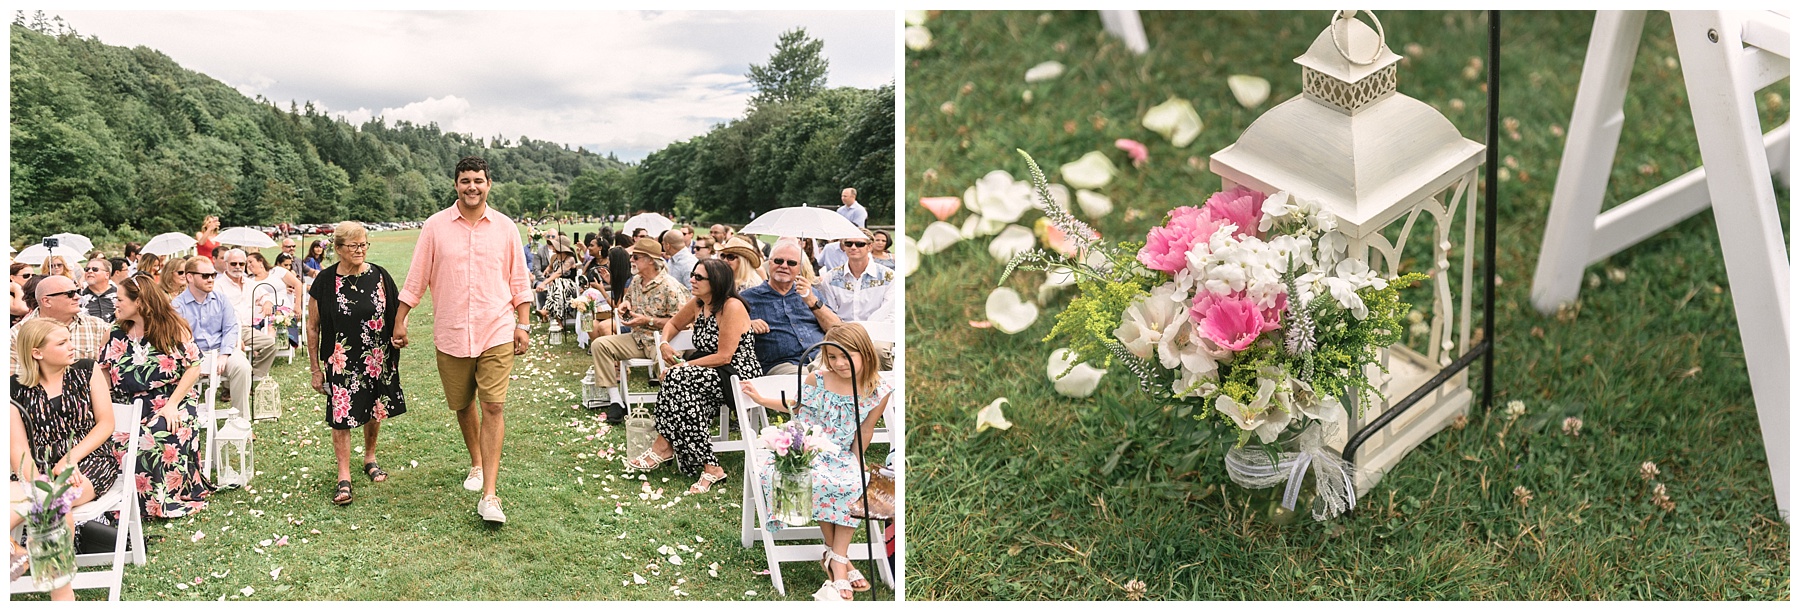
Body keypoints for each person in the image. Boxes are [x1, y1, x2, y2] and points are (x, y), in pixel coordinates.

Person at [394, 156, 532, 524]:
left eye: (479, 181)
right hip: (452, 331)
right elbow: (417, 275)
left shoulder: (505, 228)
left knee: (494, 406)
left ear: (489, 185)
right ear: (456, 184)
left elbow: (519, 280)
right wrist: (401, 320)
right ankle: (476, 461)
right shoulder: (435, 227)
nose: (472, 186)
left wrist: (524, 323)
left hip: (497, 328)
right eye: (465, 180)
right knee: (462, 402)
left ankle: (490, 494)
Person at [740, 323, 892, 600]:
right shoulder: (818, 379)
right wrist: (761, 398)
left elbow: (866, 429)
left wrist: (857, 460)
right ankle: (839, 561)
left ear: (866, 353)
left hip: (841, 453)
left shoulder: (877, 389)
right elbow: (795, 406)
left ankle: (835, 556)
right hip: (806, 449)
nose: (838, 363)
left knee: (855, 480)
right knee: (817, 479)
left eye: (846, 356)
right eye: (832, 357)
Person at [10, 319, 124, 602]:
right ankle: (59, 595)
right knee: (52, 506)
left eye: (69, 339)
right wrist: (36, 481)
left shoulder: (86, 371)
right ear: (37, 352)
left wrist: (69, 460)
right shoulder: (13, 389)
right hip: (36, 470)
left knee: (51, 500)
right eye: (61, 343)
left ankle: (19, 558)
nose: (72, 346)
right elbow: (19, 450)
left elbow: (106, 424)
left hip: (89, 462)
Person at [624, 259, 761, 494]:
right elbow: (673, 324)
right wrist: (665, 343)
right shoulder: (699, 303)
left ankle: (664, 446)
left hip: (736, 373)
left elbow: (725, 356)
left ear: (716, 281)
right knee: (679, 384)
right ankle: (707, 464)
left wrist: (683, 365)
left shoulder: (732, 306)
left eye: (699, 277)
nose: (692, 280)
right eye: (693, 275)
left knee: (676, 378)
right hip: (707, 370)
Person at [307, 222, 406, 506]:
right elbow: (313, 327)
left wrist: (400, 332)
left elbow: (398, 311)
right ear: (338, 249)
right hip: (340, 359)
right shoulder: (325, 282)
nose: (360, 250)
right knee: (342, 416)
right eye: (353, 246)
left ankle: (370, 458)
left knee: (374, 408)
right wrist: (315, 368)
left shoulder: (379, 276)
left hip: (376, 357)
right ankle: (344, 476)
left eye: (364, 244)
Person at [102, 276, 213, 518]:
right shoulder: (115, 332)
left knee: (152, 435)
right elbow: (103, 373)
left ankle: (156, 501)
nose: (115, 304)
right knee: (114, 438)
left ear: (140, 302)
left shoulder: (174, 328)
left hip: (173, 400)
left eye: (119, 299)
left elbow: (194, 367)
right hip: (127, 403)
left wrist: (172, 405)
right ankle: (122, 501)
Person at [588, 238, 689, 422]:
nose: (631, 261)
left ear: (650, 260)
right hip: (637, 338)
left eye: (635, 257)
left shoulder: (670, 286)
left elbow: (683, 323)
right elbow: (628, 301)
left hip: (664, 341)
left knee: (669, 368)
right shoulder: (636, 281)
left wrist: (648, 321)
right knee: (600, 345)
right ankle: (616, 401)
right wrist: (625, 305)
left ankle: (674, 409)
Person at [170, 257, 262, 417]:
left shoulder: (220, 299)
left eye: (213, 275)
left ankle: (241, 421)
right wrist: (197, 361)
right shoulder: (178, 305)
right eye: (205, 276)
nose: (211, 279)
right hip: (192, 357)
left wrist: (224, 354)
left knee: (243, 367)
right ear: (189, 277)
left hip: (222, 350)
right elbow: (178, 339)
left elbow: (231, 328)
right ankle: (184, 418)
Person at [741, 241, 843, 376]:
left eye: (791, 263)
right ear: (769, 263)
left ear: (800, 268)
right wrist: (747, 324)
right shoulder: (747, 298)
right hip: (782, 365)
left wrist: (812, 301)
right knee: (810, 377)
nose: (784, 266)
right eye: (778, 261)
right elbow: (725, 329)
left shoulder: (810, 293)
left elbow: (836, 328)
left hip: (821, 356)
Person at [11, 275, 111, 378]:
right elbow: (13, 381)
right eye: (70, 294)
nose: (77, 297)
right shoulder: (16, 334)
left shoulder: (98, 326)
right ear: (46, 301)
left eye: (77, 291)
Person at [213, 249, 280, 384]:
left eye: (241, 264)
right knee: (236, 353)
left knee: (271, 344)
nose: (237, 267)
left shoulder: (250, 283)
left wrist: (267, 303)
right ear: (226, 264)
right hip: (226, 330)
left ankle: (252, 375)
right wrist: (234, 337)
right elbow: (217, 314)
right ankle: (228, 387)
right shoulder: (217, 285)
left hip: (246, 329)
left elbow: (265, 295)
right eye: (233, 264)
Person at [818, 228, 896, 323]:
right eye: (849, 244)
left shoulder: (888, 276)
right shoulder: (831, 277)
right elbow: (829, 312)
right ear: (844, 247)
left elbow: (890, 313)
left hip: (878, 332)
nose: (853, 247)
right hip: (842, 332)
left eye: (860, 244)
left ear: (870, 247)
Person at [534, 237, 582, 330]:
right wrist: (547, 273)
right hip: (557, 287)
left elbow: (559, 272)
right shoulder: (554, 257)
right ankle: (556, 319)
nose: (552, 247)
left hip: (570, 284)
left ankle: (547, 311)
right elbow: (550, 268)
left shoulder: (570, 259)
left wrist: (544, 283)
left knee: (558, 282)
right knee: (557, 284)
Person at [78, 258, 119, 322]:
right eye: (87, 269)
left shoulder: (120, 295)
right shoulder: (78, 296)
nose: (90, 271)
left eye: (95, 269)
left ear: (107, 275)